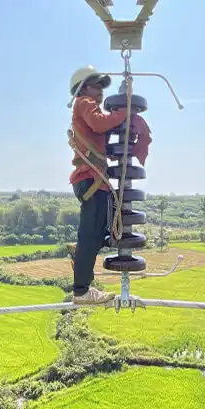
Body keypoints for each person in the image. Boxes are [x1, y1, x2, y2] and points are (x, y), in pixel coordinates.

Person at [66, 65, 127, 305]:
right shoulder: (84, 103)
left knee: (99, 231)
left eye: (102, 87)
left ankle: (79, 253)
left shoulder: (84, 108)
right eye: (96, 86)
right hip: (91, 180)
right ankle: (81, 291)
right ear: (83, 88)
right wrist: (124, 110)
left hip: (94, 180)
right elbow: (101, 124)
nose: (100, 92)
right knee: (91, 236)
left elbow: (98, 133)